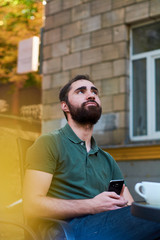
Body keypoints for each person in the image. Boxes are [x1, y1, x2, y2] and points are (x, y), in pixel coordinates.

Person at [23, 75, 160, 240]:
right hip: (67, 229)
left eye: (94, 92)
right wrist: (92, 205)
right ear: (64, 106)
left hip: (106, 224)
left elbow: (129, 205)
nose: (91, 95)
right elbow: (31, 205)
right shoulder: (50, 142)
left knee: (152, 215)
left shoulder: (106, 159)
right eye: (81, 91)